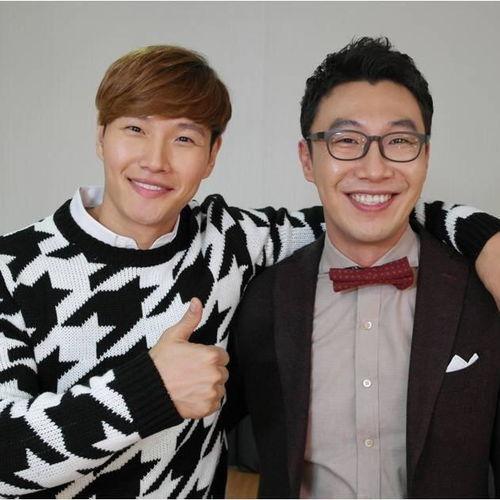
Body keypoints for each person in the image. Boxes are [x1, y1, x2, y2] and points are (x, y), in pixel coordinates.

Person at [0, 44, 498, 499]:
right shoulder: (13, 266)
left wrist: (485, 237)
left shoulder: (230, 243)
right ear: (101, 136)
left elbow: (362, 207)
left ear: (212, 156)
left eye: (184, 137)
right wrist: (145, 391)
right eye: (135, 129)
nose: (155, 160)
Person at [225, 37, 500, 498]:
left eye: (399, 141)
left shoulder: (484, 290)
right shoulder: (259, 298)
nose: (374, 169)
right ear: (307, 159)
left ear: (425, 156)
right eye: (346, 141)